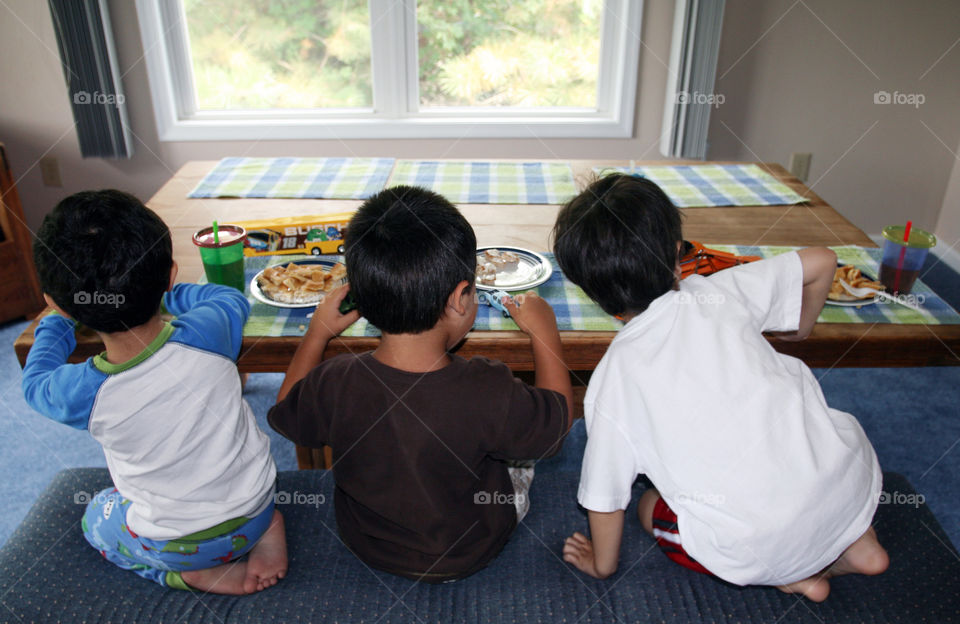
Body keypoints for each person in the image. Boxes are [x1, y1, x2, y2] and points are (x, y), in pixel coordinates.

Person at [554, 174, 888, 602]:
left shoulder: (612, 380)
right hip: (845, 481)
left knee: (647, 505)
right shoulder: (721, 291)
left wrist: (602, 566)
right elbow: (823, 260)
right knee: (804, 458)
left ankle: (797, 577)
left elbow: (604, 497)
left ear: (590, 292)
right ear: (678, 255)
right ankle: (859, 546)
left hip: (763, 544)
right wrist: (799, 331)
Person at [268, 185, 573, 582]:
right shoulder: (489, 386)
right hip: (470, 548)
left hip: (366, 542)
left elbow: (287, 411)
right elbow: (557, 426)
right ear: (462, 298)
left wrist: (318, 334)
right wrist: (545, 334)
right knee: (520, 449)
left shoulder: (335, 381)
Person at [22, 190, 287, 594]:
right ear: (170, 274)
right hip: (257, 506)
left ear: (58, 303)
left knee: (96, 516)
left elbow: (34, 381)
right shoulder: (210, 331)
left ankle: (182, 575)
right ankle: (267, 531)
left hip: (182, 546)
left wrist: (57, 323)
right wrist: (165, 294)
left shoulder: (79, 393)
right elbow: (229, 297)